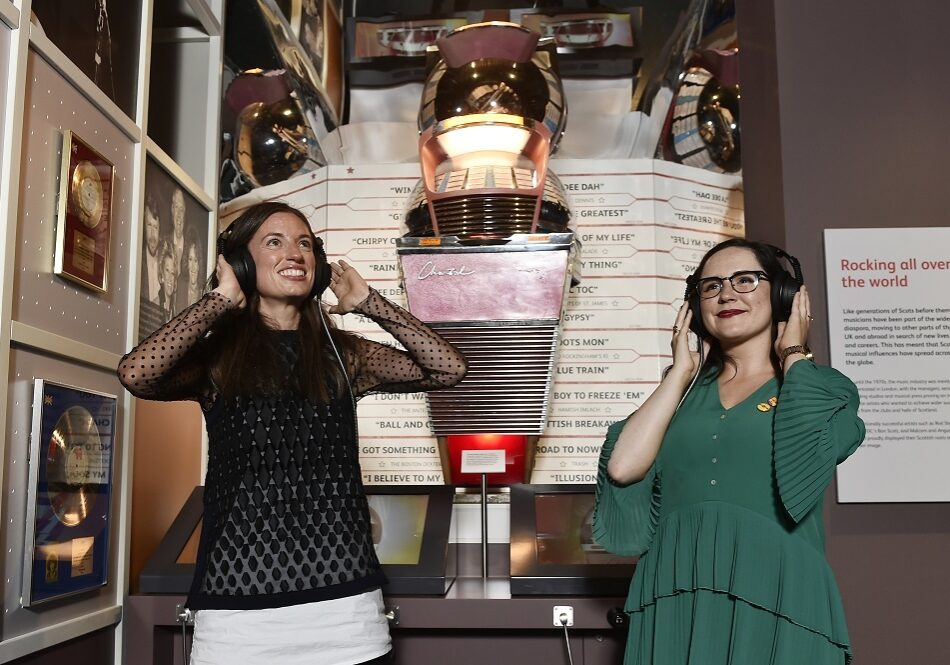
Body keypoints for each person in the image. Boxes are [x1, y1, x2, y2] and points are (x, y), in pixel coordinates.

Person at [117, 201, 467, 665]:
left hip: (346, 615)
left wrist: (369, 304)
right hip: (238, 617)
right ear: (242, 262)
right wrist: (220, 300)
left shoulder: (345, 355)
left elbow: (449, 368)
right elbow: (136, 374)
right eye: (274, 242)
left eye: (304, 243)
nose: (295, 253)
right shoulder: (217, 358)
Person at [594, 238, 865, 665]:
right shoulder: (680, 399)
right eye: (710, 286)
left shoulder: (820, 388)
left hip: (781, 594)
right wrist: (680, 373)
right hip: (677, 589)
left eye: (745, 280)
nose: (726, 294)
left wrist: (793, 351)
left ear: (782, 294)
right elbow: (624, 468)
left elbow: (807, 460)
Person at [175, 225, 204, 312]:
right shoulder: (181, 283)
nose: (193, 267)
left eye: (196, 260)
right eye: (190, 259)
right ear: (186, 262)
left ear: (199, 264)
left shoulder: (203, 289)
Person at [140, 193, 162, 304]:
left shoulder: (165, 262)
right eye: (149, 225)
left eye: (156, 227)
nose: (153, 235)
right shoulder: (138, 263)